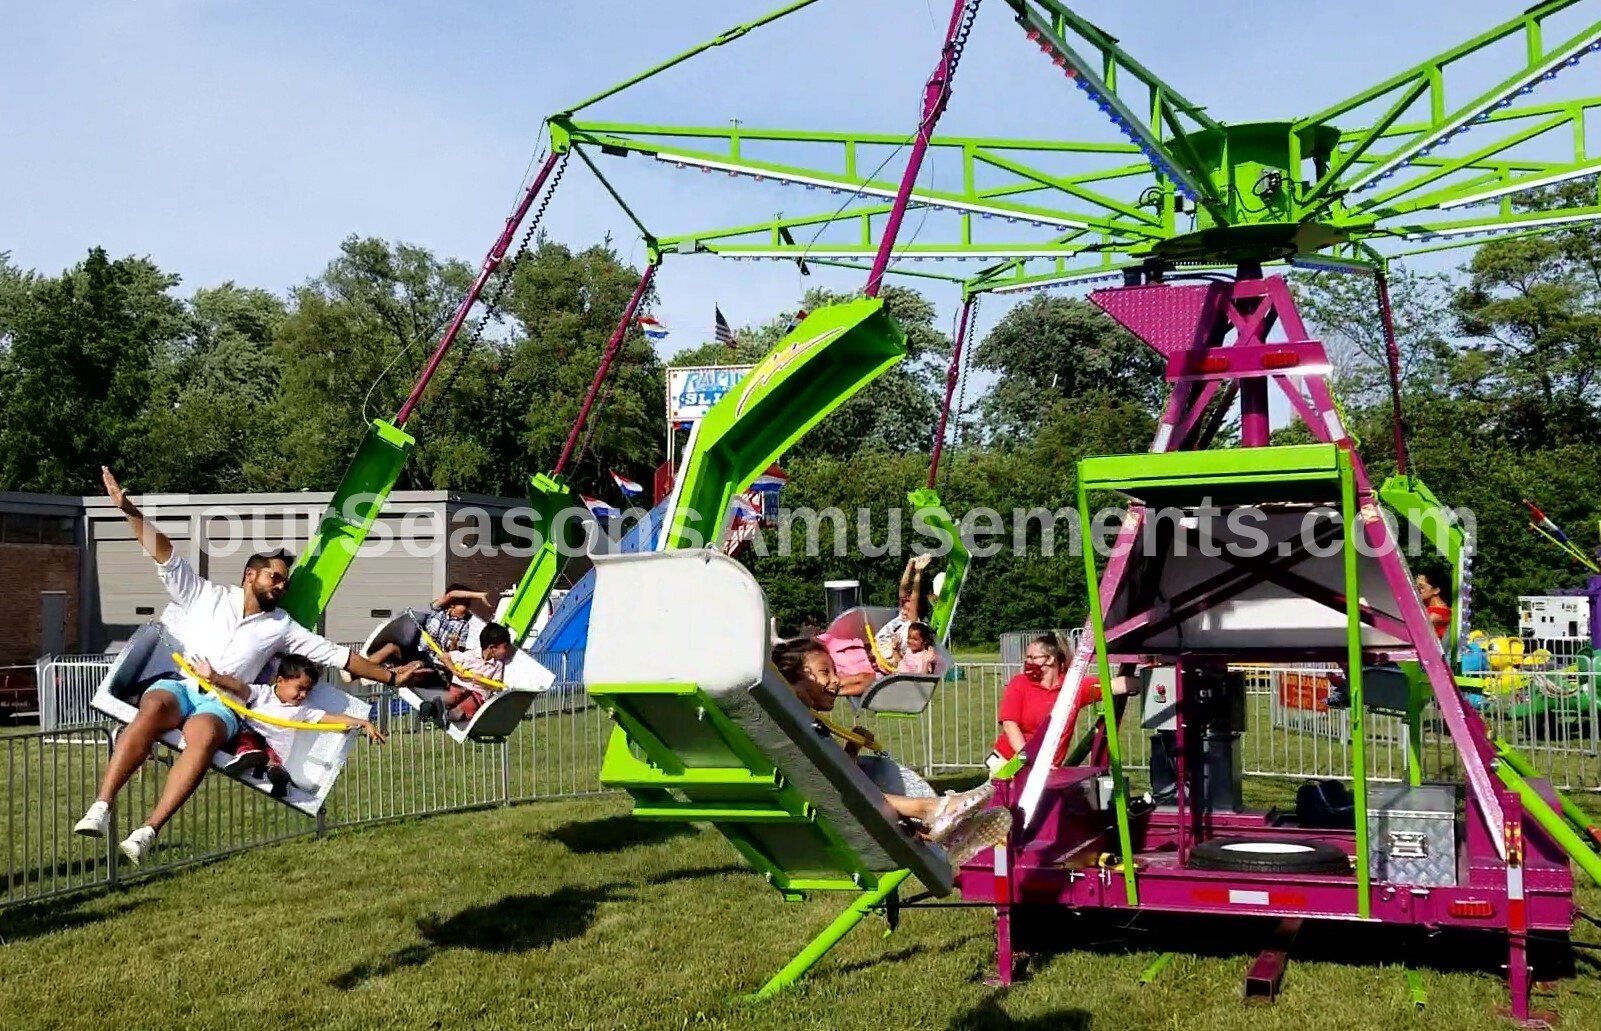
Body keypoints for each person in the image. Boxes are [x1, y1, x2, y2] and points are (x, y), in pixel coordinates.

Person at [74, 467, 421, 863]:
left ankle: (148, 831)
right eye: (275, 577)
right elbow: (165, 553)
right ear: (250, 574)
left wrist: (391, 675)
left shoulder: (281, 626)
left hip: (223, 703)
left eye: (285, 583)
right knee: (152, 709)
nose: (281, 585)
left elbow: (339, 656)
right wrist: (128, 510)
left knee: (203, 738)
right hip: (181, 684)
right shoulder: (206, 594)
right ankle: (101, 806)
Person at [770, 638, 1007, 864]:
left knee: (869, 775)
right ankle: (935, 812)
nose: (836, 680)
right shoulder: (793, 721)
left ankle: (951, 829)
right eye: (824, 672)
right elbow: (835, 782)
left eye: (834, 671)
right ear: (796, 676)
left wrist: (852, 748)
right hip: (828, 806)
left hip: (836, 797)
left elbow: (839, 775)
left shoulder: (799, 719)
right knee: (864, 782)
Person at [192, 654, 386, 803]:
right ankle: (269, 767)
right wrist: (214, 677)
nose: (303, 695)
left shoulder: (303, 710)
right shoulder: (263, 694)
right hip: (253, 738)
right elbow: (238, 686)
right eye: (299, 688)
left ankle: (276, 773)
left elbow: (334, 719)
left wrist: (363, 722)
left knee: (261, 748)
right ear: (280, 680)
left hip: (273, 751)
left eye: (308, 691)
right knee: (241, 728)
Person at [366, 583, 494, 670]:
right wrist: (479, 595)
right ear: (452, 605)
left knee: (417, 666)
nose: (467, 609)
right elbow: (451, 594)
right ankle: (362, 668)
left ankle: (385, 673)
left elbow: (456, 653)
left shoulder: (464, 626)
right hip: (415, 650)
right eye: (465, 605)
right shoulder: (437, 610)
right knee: (390, 647)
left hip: (431, 660)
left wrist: (453, 643)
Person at [418, 622, 515, 729]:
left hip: (478, 694)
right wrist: (455, 671)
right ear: (492, 648)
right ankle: (432, 707)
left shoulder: (497, 664)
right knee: (456, 695)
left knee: (466, 707)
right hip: (461, 686)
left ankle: (446, 716)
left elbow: (496, 685)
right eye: (505, 647)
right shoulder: (469, 656)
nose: (506, 651)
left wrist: (481, 681)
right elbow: (445, 657)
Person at [873, 554, 933, 660]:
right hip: (878, 648)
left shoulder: (915, 625)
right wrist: (909, 566)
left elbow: (915, 596)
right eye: (904, 609)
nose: (904, 612)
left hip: (889, 656)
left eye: (908, 610)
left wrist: (918, 573)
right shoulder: (902, 619)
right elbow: (902, 590)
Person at [1416, 574, 1451, 641]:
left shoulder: (1433, 616)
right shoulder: (1449, 612)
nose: (1419, 591)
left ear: (1436, 590)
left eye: (1422, 587)